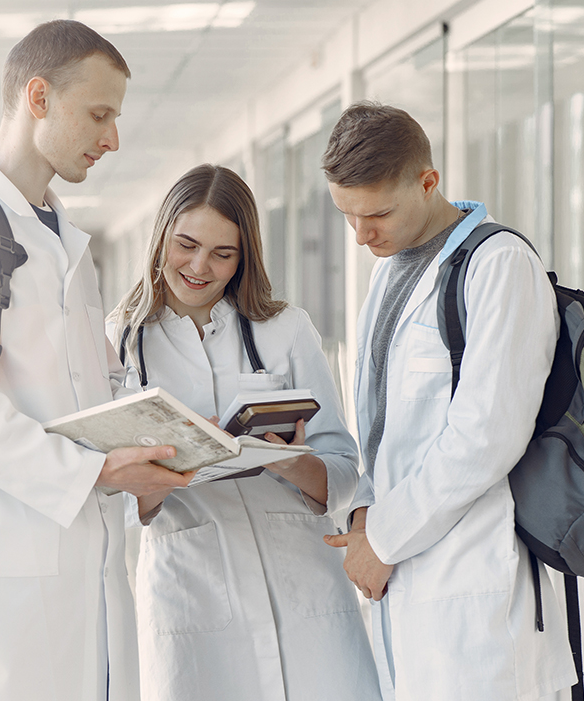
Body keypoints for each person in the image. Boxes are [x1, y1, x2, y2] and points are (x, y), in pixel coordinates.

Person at [0, 20, 193, 701]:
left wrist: (161, 438)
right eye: (98, 114)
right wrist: (89, 470)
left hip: (89, 566)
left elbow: (88, 389)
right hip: (4, 565)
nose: (112, 138)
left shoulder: (64, 242)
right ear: (37, 98)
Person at [322, 102, 578, 700]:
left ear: (428, 182)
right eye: (348, 217)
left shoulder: (499, 264)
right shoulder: (387, 271)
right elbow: (383, 422)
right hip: (404, 585)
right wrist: (364, 511)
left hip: (475, 591)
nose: (363, 235)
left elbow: (487, 436)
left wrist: (383, 540)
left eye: (377, 213)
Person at [107, 163, 382, 701]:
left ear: (243, 257)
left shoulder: (285, 330)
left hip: (302, 588)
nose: (198, 266)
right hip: (192, 591)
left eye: (222, 254)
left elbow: (346, 475)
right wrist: (164, 474)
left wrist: (287, 460)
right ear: (161, 235)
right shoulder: (121, 339)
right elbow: (110, 497)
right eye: (185, 244)